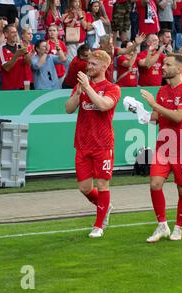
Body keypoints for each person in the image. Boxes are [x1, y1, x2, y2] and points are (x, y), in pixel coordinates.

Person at [140, 53, 182, 242]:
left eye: (167, 64)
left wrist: (154, 104)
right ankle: (162, 225)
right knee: (155, 184)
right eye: (163, 63)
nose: (162, 67)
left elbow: (179, 116)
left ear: (180, 69)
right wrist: (140, 111)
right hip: (163, 146)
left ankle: (179, 227)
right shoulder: (162, 91)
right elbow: (155, 119)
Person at [65, 50, 121, 238]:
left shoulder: (112, 88)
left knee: (103, 184)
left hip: (103, 144)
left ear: (105, 66)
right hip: (82, 143)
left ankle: (98, 225)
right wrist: (79, 92)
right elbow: (68, 109)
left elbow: (104, 105)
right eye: (89, 64)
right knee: (85, 188)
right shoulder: (81, 86)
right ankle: (106, 207)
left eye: (94, 64)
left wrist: (88, 88)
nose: (89, 67)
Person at [0, 24, 31, 90]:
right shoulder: (2, 48)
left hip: (23, 85)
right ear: (6, 34)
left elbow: (28, 63)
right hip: (10, 86)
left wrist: (26, 52)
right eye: (13, 32)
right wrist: (16, 55)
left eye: (16, 32)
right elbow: (6, 68)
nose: (15, 34)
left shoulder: (20, 46)